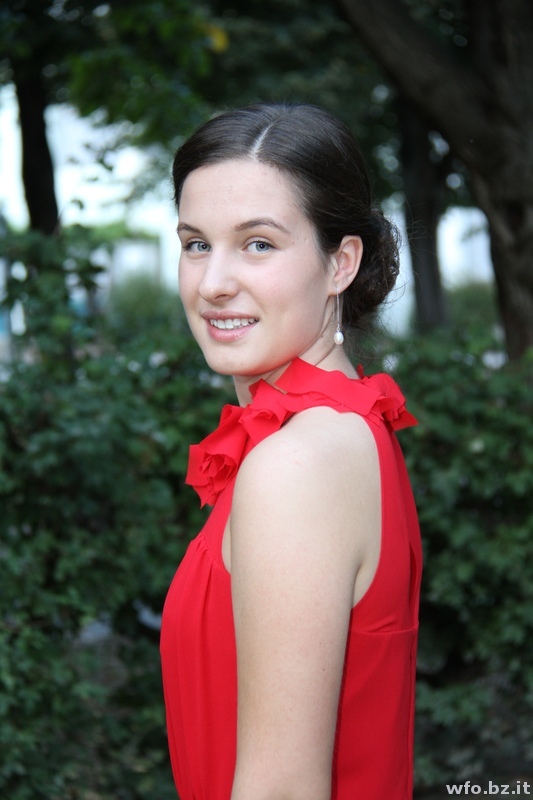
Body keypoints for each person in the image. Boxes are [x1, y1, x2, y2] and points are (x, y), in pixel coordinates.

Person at [160, 102, 422, 800]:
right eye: (195, 244)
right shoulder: (340, 429)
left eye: (257, 244)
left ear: (340, 263)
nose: (213, 283)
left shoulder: (299, 462)